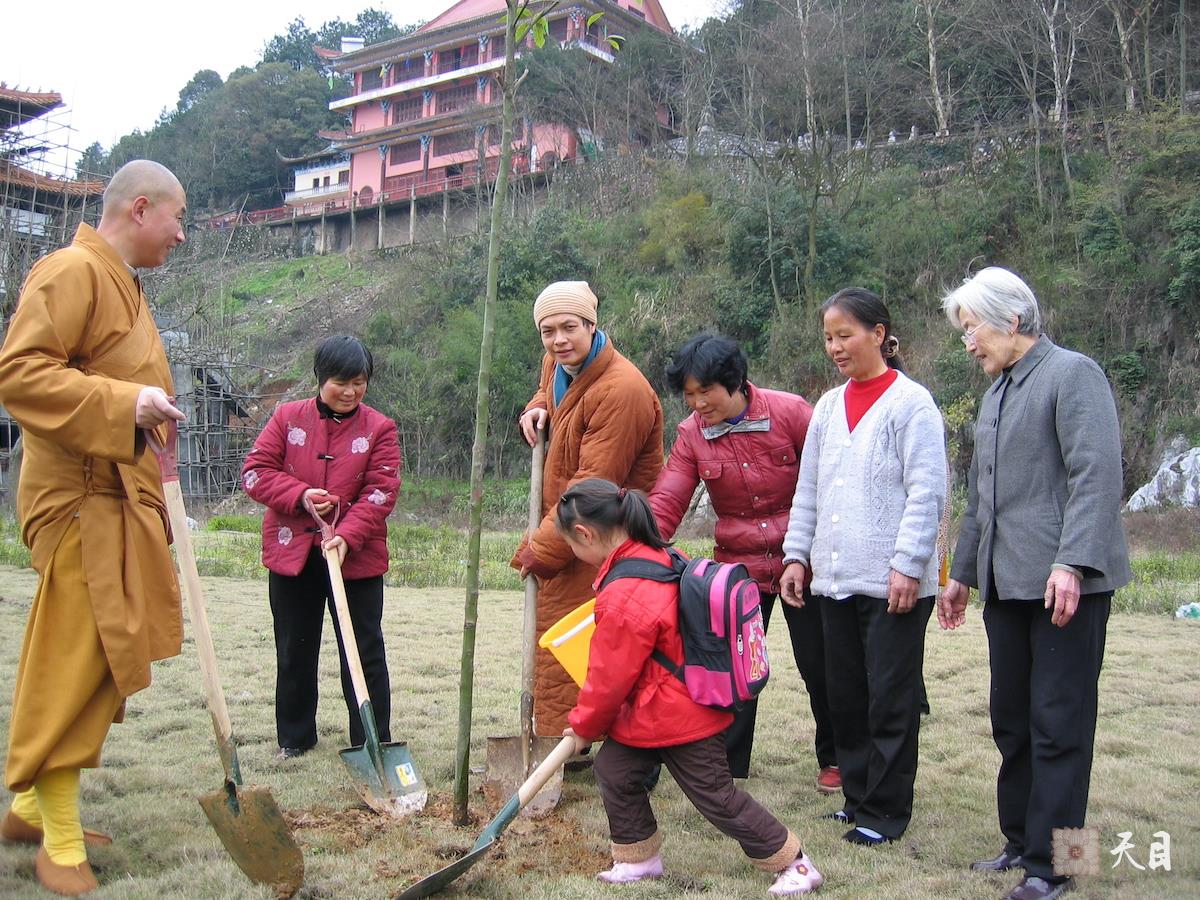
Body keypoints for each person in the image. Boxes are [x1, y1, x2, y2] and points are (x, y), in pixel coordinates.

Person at [0, 159, 188, 896]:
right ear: (140, 209)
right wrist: (125, 404)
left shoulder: (127, 287)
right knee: (80, 655)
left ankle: (25, 807)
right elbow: (18, 375)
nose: (180, 234)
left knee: (114, 654)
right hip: (79, 499)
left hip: (122, 499)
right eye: (176, 218)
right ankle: (60, 837)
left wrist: (144, 409)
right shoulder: (71, 270)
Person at [937, 267, 1131, 900]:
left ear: (1012, 320)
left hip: (1064, 585)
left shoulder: (1073, 375)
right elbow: (983, 499)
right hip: (1007, 585)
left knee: (1061, 724)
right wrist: (962, 574)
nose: (968, 342)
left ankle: (1064, 864)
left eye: (973, 328)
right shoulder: (996, 393)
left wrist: (1072, 562)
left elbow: (1095, 476)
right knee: (1013, 721)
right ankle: (1021, 842)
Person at [559, 479, 823, 896]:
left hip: (681, 715)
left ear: (585, 534)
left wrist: (583, 728)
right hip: (653, 710)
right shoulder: (659, 555)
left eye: (572, 548)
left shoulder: (625, 594)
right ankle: (638, 859)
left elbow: (607, 678)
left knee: (715, 796)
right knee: (614, 770)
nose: (576, 556)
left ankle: (795, 863)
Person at [780, 288, 946, 847]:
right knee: (845, 694)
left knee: (890, 697)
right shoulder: (827, 407)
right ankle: (856, 798)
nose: (835, 347)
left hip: (892, 584)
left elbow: (927, 493)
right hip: (833, 580)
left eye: (845, 335)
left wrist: (907, 564)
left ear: (878, 334)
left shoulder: (911, 403)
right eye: (828, 337)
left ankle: (886, 810)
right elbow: (810, 491)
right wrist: (796, 556)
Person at [648, 333, 837, 788]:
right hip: (739, 568)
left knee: (821, 665)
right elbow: (668, 496)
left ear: (734, 381)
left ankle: (837, 757)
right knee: (733, 666)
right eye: (688, 395)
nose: (696, 404)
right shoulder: (693, 435)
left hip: (803, 562)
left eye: (704, 391)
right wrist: (641, 544)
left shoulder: (791, 413)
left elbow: (831, 478)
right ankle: (728, 763)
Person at [512, 281, 663, 737]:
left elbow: (592, 486)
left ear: (593, 326)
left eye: (569, 328)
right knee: (560, 636)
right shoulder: (558, 365)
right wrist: (538, 406)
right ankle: (563, 743)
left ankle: (598, 744)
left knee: (590, 641)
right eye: (548, 331)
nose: (559, 340)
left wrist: (541, 548)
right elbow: (550, 389)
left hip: (603, 534)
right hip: (571, 528)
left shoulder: (622, 390)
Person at [241, 336, 400, 760]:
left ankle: (371, 740)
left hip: (356, 558)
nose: (349, 392)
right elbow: (255, 472)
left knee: (363, 650)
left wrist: (346, 536)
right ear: (320, 378)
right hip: (292, 555)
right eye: (340, 382)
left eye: (359, 382)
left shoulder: (379, 428)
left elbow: (381, 492)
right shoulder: (286, 417)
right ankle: (294, 738)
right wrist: (301, 496)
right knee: (294, 645)